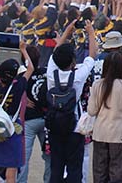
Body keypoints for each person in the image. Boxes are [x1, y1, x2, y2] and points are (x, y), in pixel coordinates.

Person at [46, 20, 98, 183]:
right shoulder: (78, 76)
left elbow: (56, 52)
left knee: (56, 167)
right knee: (75, 168)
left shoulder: (51, 74)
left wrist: (67, 31)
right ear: (73, 62)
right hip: (74, 127)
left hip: (54, 125)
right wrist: (90, 32)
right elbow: (92, 56)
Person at [0, 41, 34, 183]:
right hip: (13, 130)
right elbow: (30, 68)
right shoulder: (18, 87)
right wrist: (23, 50)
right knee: (11, 174)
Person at [87, 51, 122, 183]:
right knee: (117, 172)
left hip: (100, 133)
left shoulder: (97, 85)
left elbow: (91, 111)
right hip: (119, 135)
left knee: (100, 172)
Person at [18, 45, 50, 183]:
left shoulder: (21, 77)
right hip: (46, 118)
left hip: (29, 120)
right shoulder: (47, 72)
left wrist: (23, 99)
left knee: (24, 157)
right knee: (49, 156)